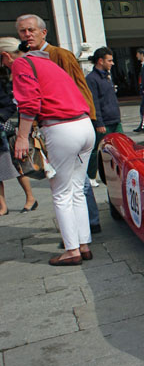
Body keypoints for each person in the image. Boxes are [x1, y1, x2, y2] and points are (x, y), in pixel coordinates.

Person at [1, 37, 94, 265]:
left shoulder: (22, 64)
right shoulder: (46, 61)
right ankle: (83, 244)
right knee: (76, 190)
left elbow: (29, 104)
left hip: (61, 128)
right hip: (83, 125)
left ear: (6, 57)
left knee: (61, 193)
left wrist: (22, 137)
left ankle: (72, 250)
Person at [16, 13, 101, 234]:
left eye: (31, 30)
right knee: (70, 185)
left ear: (43, 32)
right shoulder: (30, 59)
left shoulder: (58, 55)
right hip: (55, 125)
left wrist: (90, 119)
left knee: (74, 186)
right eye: (22, 31)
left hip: (70, 122)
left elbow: (80, 87)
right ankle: (78, 235)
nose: (27, 35)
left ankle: (86, 227)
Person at [0, 76, 37, 215]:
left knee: (17, 166)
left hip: (3, 134)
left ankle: (30, 198)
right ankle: (3, 206)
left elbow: (10, 106)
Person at [86, 47, 122, 137]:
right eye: (109, 61)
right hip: (104, 124)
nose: (112, 63)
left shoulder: (107, 76)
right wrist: (99, 123)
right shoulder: (91, 79)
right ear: (101, 61)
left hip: (115, 120)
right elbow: (94, 102)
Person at [133, 48, 144, 133]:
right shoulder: (143, 65)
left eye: (137, 54)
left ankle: (143, 126)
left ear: (142, 54)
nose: (136, 56)